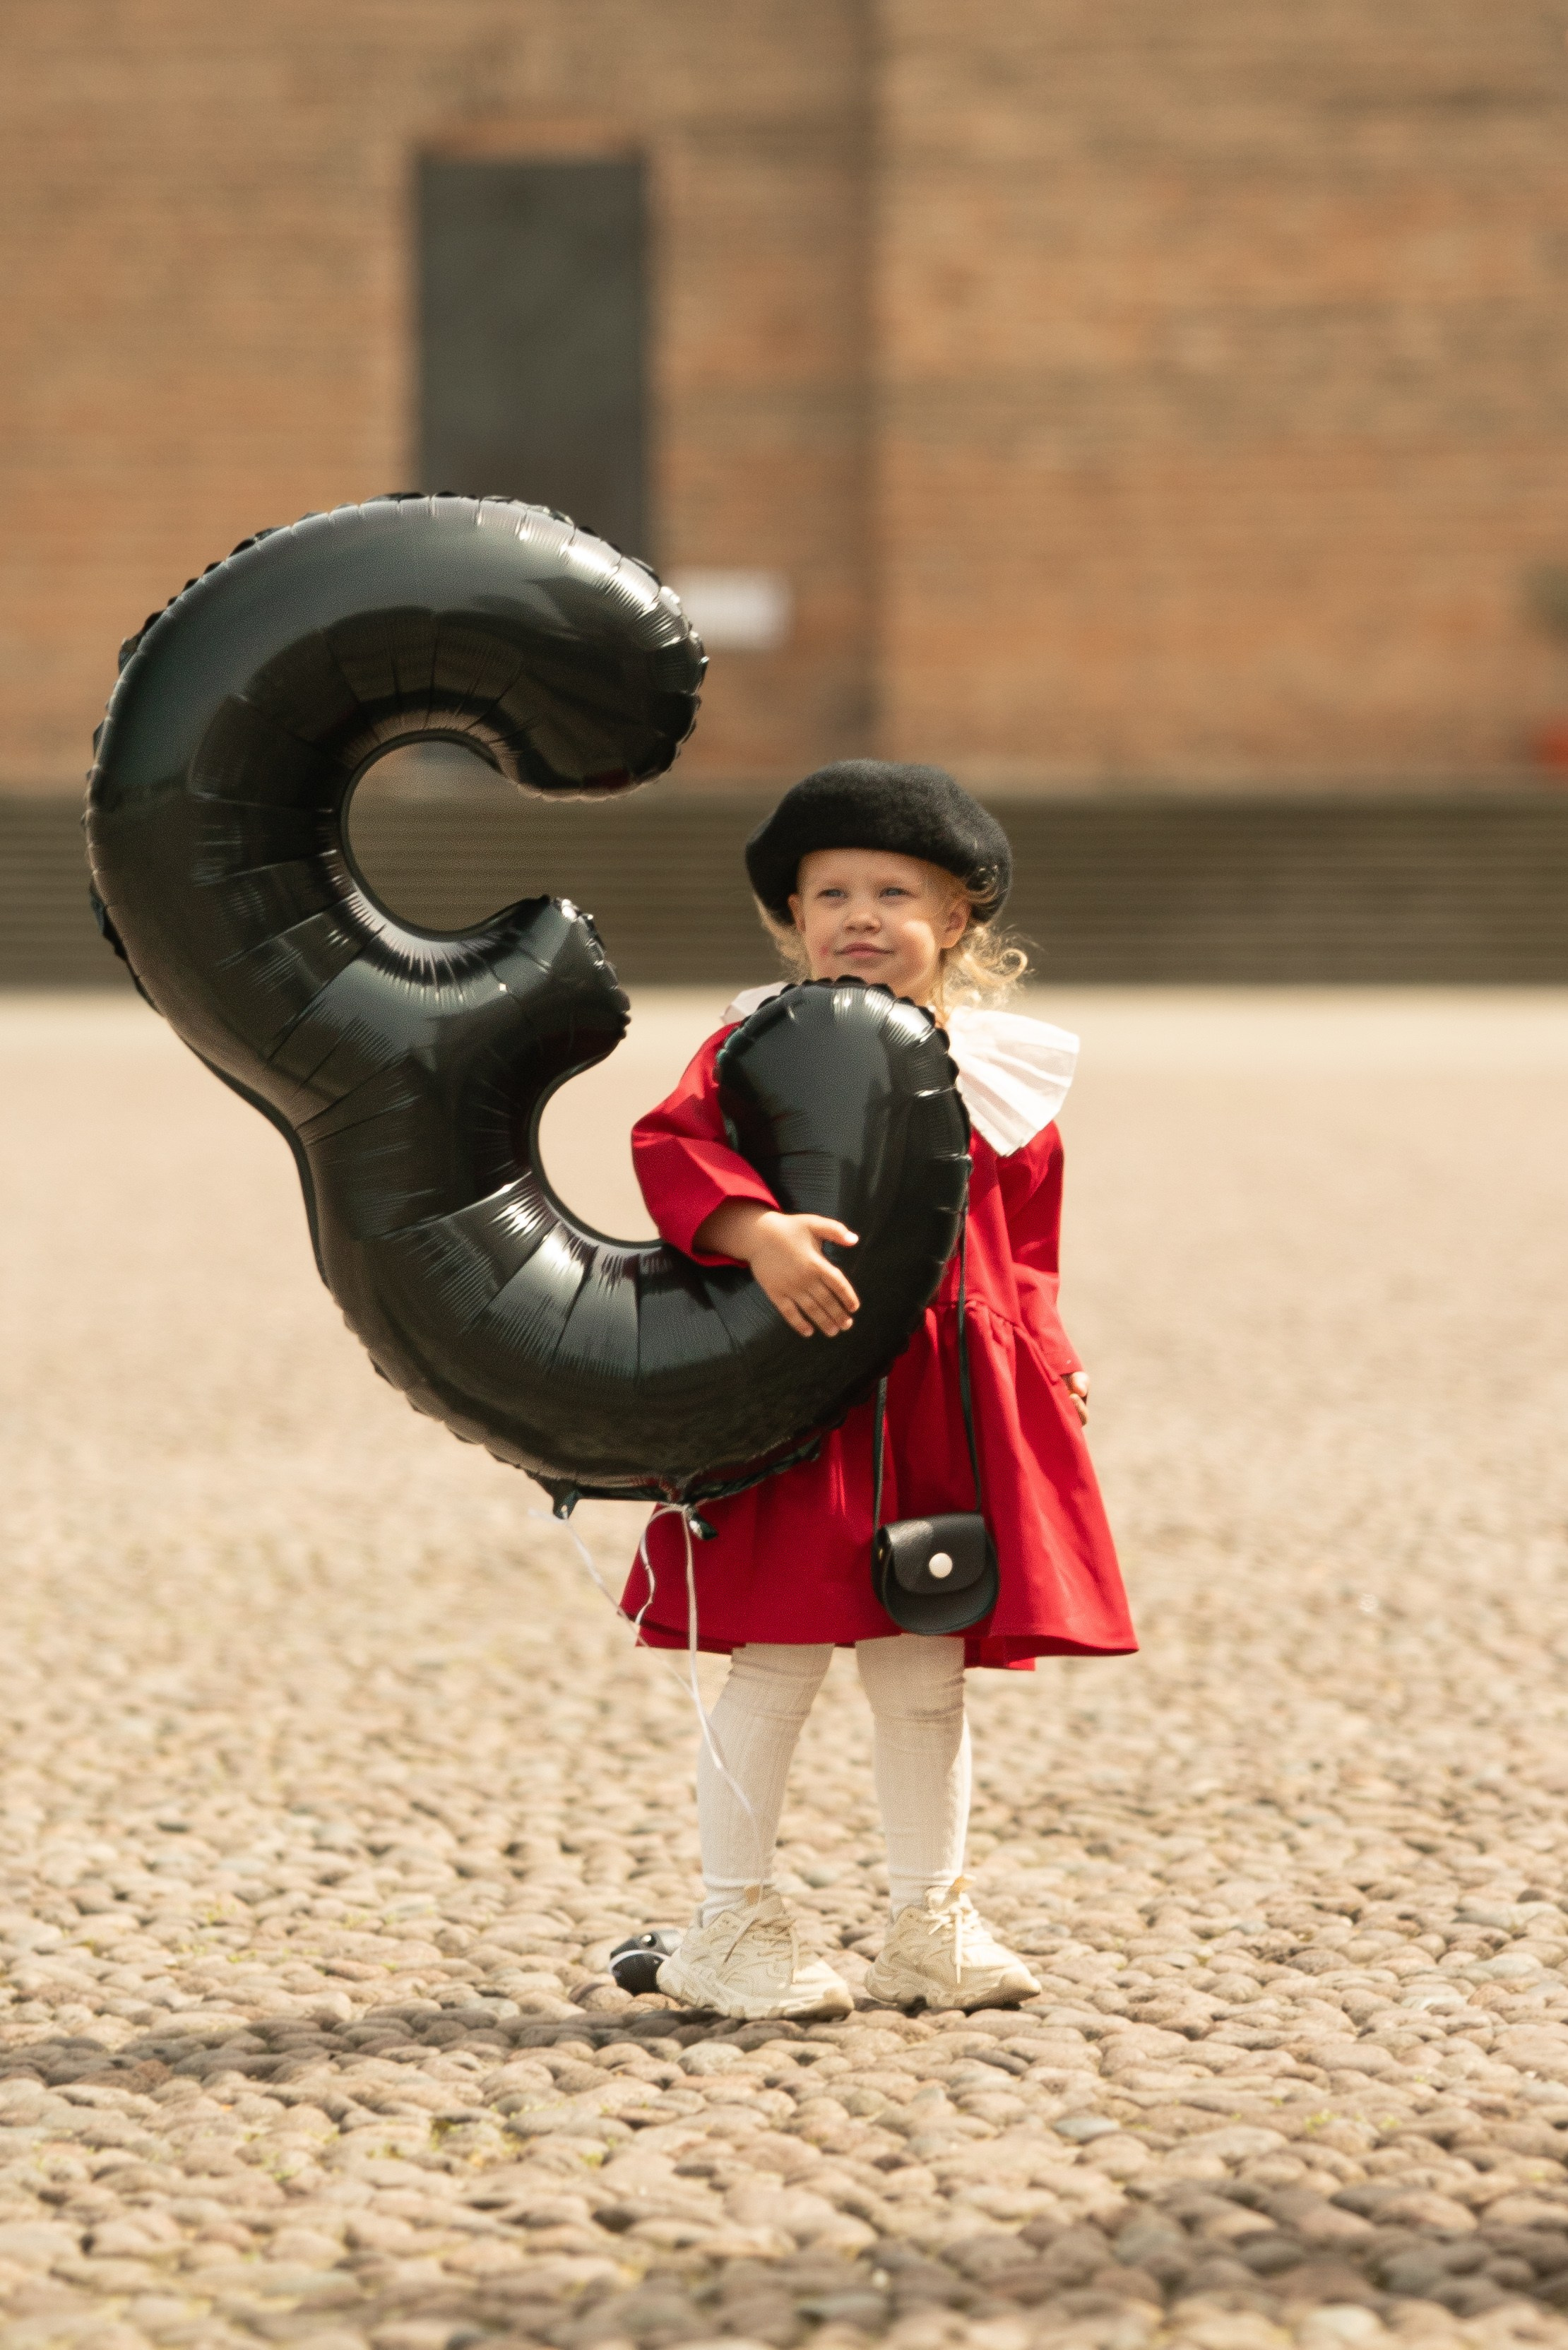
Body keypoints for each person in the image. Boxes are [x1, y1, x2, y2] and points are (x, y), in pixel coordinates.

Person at [621, 760, 1135, 2022]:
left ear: (956, 917)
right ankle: (728, 1925)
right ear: (792, 917)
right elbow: (670, 1148)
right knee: (779, 1661)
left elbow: (1025, 1238)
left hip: (948, 1406)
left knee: (924, 1669)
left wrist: (1050, 1357)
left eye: (893, 891)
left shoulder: (999, 1070)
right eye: (828, 892)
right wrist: (754, 1232)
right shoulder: (758, 1049)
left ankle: (930, 1919)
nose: (858, 914)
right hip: (803, 1395)